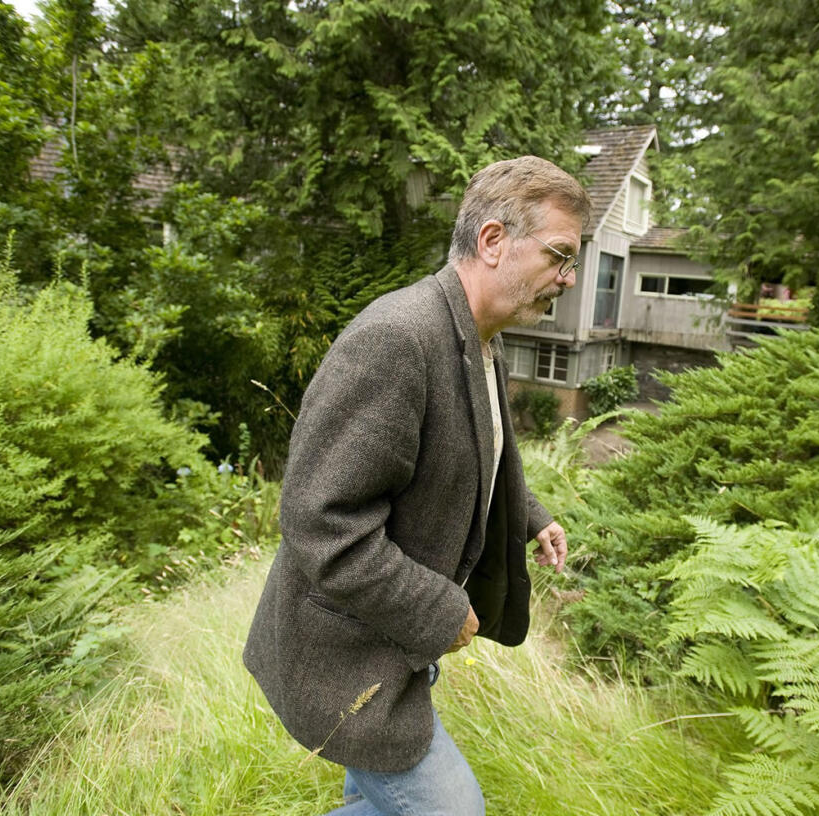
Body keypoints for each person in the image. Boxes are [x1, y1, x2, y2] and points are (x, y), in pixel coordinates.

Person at [242, 155, 591, 815]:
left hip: (391, 648)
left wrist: (530, 516)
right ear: (492, 242)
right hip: (341, 659)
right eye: (559, 255)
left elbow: (475, 452)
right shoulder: (398, 341)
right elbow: (320, 524)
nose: (568, 279)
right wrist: (438, 610)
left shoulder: (479, 338)